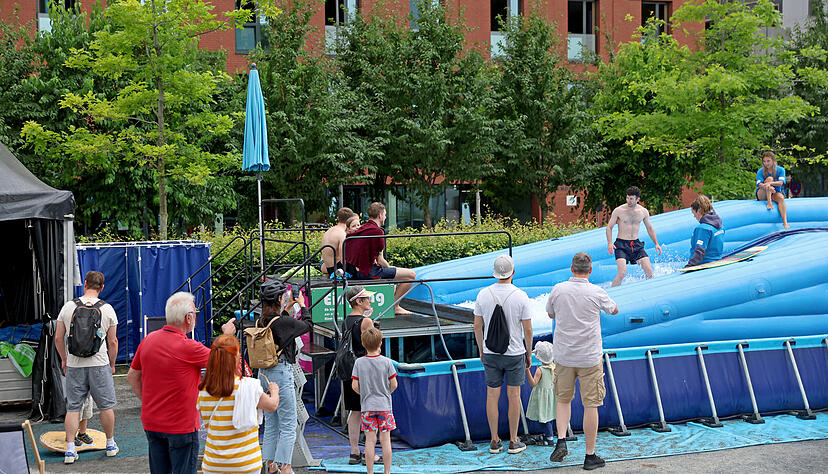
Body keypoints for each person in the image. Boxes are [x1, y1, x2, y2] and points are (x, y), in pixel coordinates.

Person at [127, 292, 237, 474]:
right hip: (181, 426)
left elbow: (132, 376)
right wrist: (227, 335)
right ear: (188, 318)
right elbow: (227, 360)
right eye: (195, 312)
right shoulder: (189, 347)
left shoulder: (148, 340)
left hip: (152, 421)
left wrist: (147, 401)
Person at [546, 252, 619, 470]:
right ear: (590, 270)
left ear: (571, 268)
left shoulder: (558, 289)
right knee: (591, 405)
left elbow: (550, 314)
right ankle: (590, 455)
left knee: (563, 400)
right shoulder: (596, 292)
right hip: (589, 357)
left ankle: (560, 440)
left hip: (564, 355)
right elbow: (614, 310)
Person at [54, 270, 119, 464]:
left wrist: (64, 359)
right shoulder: (107, 309)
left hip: (75, 365)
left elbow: (58, 338)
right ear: (102, 287)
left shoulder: (68, 307)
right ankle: (110, 444)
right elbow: (113, 341)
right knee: (106, 406)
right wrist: (113, 364)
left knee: (73, 407)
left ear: (84, 284)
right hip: (99, 364)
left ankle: (70, 449)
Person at [473, 255, 532, 455]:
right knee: (514, 395)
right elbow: (528, 329)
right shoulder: (521, 295)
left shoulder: (483, 294)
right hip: (515, 353)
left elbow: (477, 326)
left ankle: (494, 440)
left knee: (492, 395)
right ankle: (514, 441)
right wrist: (528, 353)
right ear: (513, 272)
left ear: (495, 273)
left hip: (490, 352)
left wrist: (481, 350)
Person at [197, 335, 280, 474]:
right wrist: (274, 391)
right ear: (235, 358)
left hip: (213, 464)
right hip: (246, 463)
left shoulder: (204, 390)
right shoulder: (249, 386)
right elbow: (272, 405)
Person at [256, 280, 313, 474]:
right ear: (280, 298)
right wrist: (303, 305)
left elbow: (281, 329)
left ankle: (270, 465)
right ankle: (286, 467)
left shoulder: (261, 321)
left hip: (263, 375)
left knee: (271, 424)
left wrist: (287, 308)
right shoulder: (282, 322)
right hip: (281, 374)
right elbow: (307, 325)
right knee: (289, 424)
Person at [344, 202, 417, 315]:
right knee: (411, 274)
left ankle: (394, 303)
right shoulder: (377, 232)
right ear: (380, 215)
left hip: (357, 271)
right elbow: (380, 260)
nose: (386, 217)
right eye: (385, 214)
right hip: (370, 272)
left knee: (394, 274)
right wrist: (390, 268)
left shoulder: (362, 228)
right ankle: (395, 306)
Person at [351, 327, 398, 474]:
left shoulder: (359, 363)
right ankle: (387, 471)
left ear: (363, 344)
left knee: (369, 441)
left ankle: (370, 472)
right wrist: (385, 393)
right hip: (384, 406)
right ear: (380, 343)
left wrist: (364, 393)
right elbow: (394, 384)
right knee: (386, 440)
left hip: (367, 407)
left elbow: (354, 385)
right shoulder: (387, 362)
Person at [342, 285, 380, 465]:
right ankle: (369, 453)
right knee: (369, 410)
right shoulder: (366, 322)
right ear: (359, 301)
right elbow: (372, 346)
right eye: (367, 298)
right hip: (364, 369)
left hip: (349, 369)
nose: (370, 301)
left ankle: (354, 451)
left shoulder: (346, 320)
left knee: (354, 412)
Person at [606, 186, 663, 286]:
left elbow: (649, 228)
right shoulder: (619, 210)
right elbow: (609, 227)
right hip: (621, 245)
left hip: (636, 245)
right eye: (627, 198)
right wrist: (610, 243)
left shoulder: (643, 212)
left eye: (631, 198)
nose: (629, 201)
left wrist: (656, 243)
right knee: (622, 273)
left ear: (638, 199)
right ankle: (611, 294)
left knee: (650, 272)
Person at [525, 341, 556, 444]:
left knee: (544, 419)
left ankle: (549, 439)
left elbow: (533, 383)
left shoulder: (540, 370)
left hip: (542, 399)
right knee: (549, 417)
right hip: (551, 397)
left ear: (538, 357)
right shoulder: (554, 368)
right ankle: (548, 434)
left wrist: (527, 371)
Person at [686, 195, 725, 268]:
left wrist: (689, 266)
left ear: (699, 210)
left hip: (703, 265)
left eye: (693, 213)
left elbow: (700, 251)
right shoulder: (720, 226)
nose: (694, 216)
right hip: (717, 262)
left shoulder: (702, 228)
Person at [756, 151, 789, 229]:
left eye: (768, 161)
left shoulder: (780, 170)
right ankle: (769, 202)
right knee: (769, 179)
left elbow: (781, 183)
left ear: (773, 161)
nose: (766, 163)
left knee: (781, 197)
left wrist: (770, 184)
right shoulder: (761, 171)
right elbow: (759, 184)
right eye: (764, 161)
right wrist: (767, 186)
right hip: (762, 194)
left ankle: (785, 222)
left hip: (775, 192)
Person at [320, 207, 356, 277]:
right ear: (350, 220)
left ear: (338, 218)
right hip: (336, 269)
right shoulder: (342, 234)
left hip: (327, 266)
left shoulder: (329, 231)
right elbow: (343, 257)